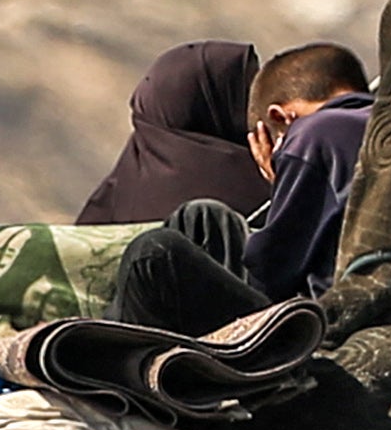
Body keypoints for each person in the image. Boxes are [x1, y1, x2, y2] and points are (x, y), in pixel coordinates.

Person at [233, 41, 372, 301]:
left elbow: (272, 272)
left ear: (280, 117)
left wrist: (285, 178)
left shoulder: (314, 133)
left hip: (343, 311)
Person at [75, 39, 266, 225]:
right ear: (211, 103)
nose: (264, 105)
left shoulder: (116, 196)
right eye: (249, 91)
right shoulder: (258, 188)